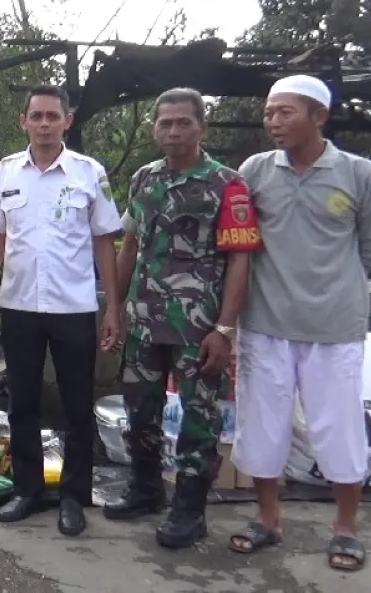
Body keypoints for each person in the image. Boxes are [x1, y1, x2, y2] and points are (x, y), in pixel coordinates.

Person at [227, 75, 371, 572]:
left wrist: (331, 294)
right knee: (263, 428)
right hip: (265, 323)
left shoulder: (358, 175)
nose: (272, 121)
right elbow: (238, 240)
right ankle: (268, 520)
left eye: (285, 112)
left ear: (318, 116)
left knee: (338, 428)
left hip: (333, 328)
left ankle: (345, 529)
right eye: (269, 112)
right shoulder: (255, 171)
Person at [104, 87, 260, 549]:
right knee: (141, 410)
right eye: (165, 123)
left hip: (200, 328)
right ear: (154, 127)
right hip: (145, 321)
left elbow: (240, 259)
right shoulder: (143, 180)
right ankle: (146, 488)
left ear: (201, 127)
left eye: (183, 122)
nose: (173, 131)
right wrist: (114, 306)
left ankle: (190, 510)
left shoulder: (228, 184)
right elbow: (129, 244)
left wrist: (226, 329)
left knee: (198, 419)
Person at [0, 84, 123, 537]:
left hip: (74, 308)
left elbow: (104, 242)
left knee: (78, 407)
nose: (43, 124)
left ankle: (74, 498)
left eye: (51, 116)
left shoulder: (88, 173)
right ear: (23, 121)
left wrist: (113, 305)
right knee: (23, 405)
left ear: (66, 121)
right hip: (19, 308)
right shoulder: (6, 173)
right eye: (35, 116)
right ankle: (28, 491)